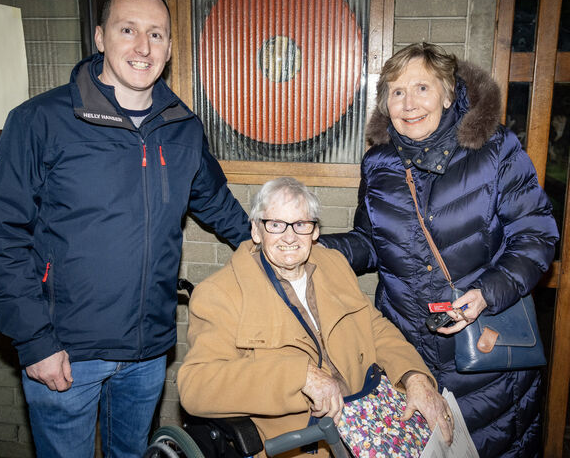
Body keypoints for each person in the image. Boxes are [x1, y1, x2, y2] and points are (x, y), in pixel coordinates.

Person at [0, 0, 250, 458]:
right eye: (128, 30)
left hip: (148, 351)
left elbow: (216, 203)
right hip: (66, 352)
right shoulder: (41, 120)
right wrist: (35, 341)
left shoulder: (182, 126)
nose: (143, 47)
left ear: (168, 46)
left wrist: (274, 248)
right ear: (100, 38)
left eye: (156, 34)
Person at [319, 42, 559, 457]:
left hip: (484, 359)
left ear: (449, 94)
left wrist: (486, 292)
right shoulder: (378, 165)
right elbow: (370, 243)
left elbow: (536, 235)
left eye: (422, 88)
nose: (408, 104)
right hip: (408, 354)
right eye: (396, 92)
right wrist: (310, 246)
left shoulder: (496, 150)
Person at [178, 177, 454, 458]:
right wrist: (299, 376)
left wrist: (414, 376)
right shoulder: (219, 294)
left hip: (368, 423)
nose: (289, 237)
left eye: (301, 225)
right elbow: (196, 386)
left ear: (315, 232)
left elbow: (373, 326)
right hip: (300, 444)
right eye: (275, 224)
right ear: (256, 231)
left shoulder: (333, 264)